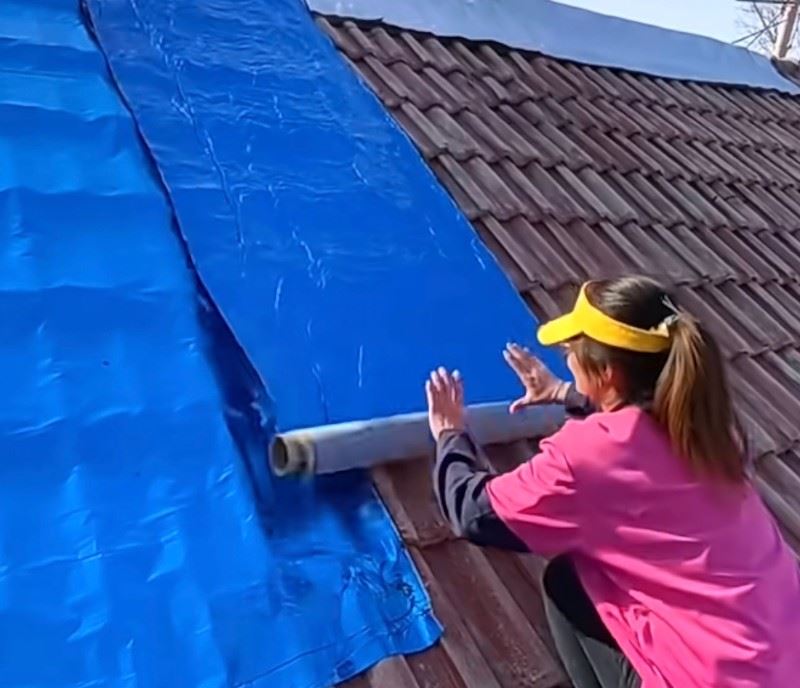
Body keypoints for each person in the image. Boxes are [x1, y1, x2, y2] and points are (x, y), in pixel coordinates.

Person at [424, 276, 800, 688]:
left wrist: (449, 433)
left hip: (715, 679)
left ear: (607, 372)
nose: (567, 357)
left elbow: (474, 513)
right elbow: (642, 433)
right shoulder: (709, 426)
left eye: (571, 351)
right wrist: (567, 394)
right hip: (780, 657)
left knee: (568, 579)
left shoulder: (592, 453)